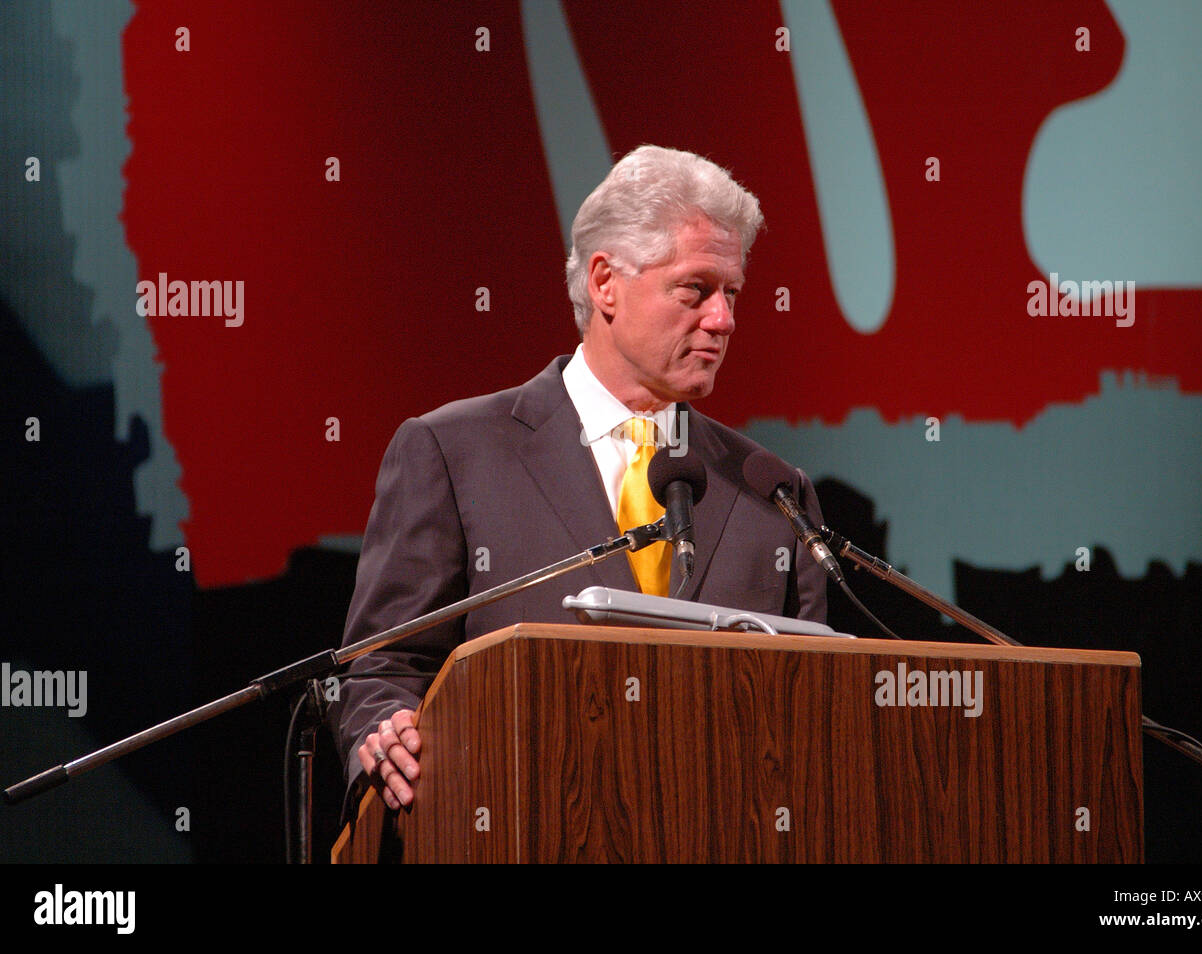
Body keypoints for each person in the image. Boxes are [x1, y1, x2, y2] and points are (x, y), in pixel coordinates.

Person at [329, 145, 828, 812]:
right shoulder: (454, 453)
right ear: (604, 283)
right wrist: (384, 733)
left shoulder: (770, 491)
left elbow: (822, 704)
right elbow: (385, 668)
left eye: (731, 293)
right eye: (695, 290)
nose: (723, 319)